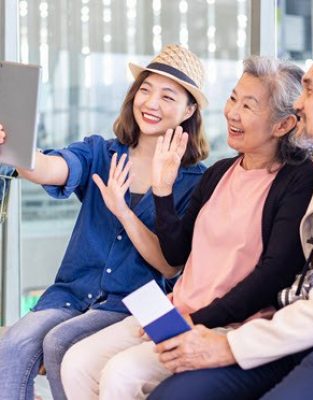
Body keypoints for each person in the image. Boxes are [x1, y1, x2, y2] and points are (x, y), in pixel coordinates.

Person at [148, 42, 313, 400]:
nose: (298, 103)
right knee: (174, 395)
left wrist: (229, 345)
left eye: (310, 90)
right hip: (293, 323)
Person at [61, 56, 313, 399]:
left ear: (283, 125)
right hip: (176, 310)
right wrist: (163, 191)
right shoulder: (219, 172)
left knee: (122, 375)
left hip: (230, 324)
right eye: (232, 98)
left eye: (248, 105)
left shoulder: (298, 180)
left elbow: (272, 275)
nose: (233, 113)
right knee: (76, 362)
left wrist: (197, 319)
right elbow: (176, 253)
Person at [0, 44, 208, 400]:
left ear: (189, 110)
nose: (151, 103)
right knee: (13, 344)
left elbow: (170, 265)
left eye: (167, 96)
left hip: (134, 305)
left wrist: (123, 211)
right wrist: (14, 146)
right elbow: (51, 168)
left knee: (60, 343)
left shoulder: (195, 182)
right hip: (71, 294)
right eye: (145, 89)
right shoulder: (102, 152)